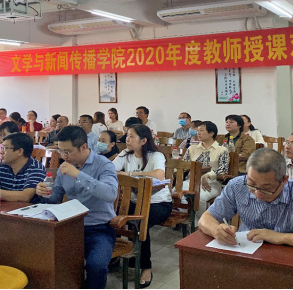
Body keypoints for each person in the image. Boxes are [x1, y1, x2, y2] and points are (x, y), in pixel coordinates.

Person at [198, 148, 293, 253]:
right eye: (252, 184)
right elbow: (206, 218)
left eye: (266, 188)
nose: (257, 193)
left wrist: (281, 237)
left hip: (291, 259)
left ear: (284, 180)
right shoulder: (237, 186)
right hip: (246, 254)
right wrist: (216, 230)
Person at [35, 126, 118, 289]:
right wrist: (43, 192)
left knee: (96, 266)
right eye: (60, 151)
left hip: (99, 228)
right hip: (69, 227)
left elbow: (110, 194)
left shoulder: (104, 165)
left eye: (67, 152)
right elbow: (54, 197)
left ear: (83, 147)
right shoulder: (65, 167)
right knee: (44, 258)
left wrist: (78, 175)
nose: (63, 156)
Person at [113, 124, 171, 287]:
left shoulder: (156, 155)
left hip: (158, 204)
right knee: (109, 217)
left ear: (144, 140)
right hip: (133, 202)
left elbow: (159, 175)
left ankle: (145, 267)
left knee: (139, 223)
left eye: (131, 136)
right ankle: (117, 255)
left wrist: (131, 174)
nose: (127, 139)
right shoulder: (125, 154)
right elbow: (110, 169)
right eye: (127, 135)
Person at [182, 121, 229, 217]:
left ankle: (200, 222)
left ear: (211, 133)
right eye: (197, 130)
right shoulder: (192, 148)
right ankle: (186, 219)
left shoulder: (222, 150)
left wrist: (208, 175)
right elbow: (184, 165)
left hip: (211, 183)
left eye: (201, 130)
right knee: (174, 193)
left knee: (200, 197)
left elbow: (223, 169)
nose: (198, 133)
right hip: (190, 182)